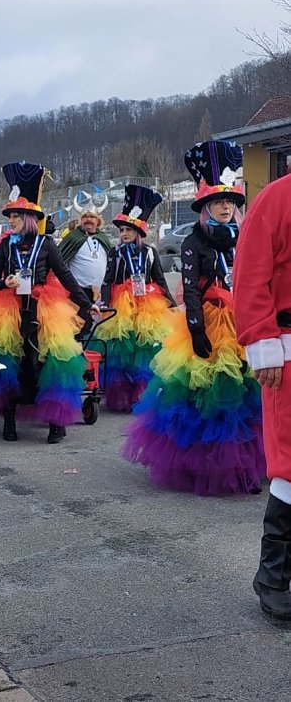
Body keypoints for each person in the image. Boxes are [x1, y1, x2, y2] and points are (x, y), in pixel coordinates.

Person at [126, 141, 265, 495]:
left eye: (230, 202)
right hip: (208, 324)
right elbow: (189, 290)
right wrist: (196, 329)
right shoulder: (193, 242)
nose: (225, 207)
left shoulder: (243, 237)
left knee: (246, 395)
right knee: (210, 398)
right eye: (218, 202)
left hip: (241, 321)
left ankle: (247, 465)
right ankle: (205, 465)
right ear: (205, 206)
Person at [0, 162, 100, 444]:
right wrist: (5, 283)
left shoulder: (47, 244)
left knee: (49, 364)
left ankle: (55, 422)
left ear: (27, 217)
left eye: (14, 215)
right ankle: (9, 420)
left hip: (43, 310)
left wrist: (86, 304)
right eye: (10, 214)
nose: (10, 219)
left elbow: (65, 276)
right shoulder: (5, 245)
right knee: (10, 363)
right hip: (8, 310)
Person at [234, 170, 291, 620]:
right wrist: (261, 340)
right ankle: (273, 575)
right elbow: (251, 273)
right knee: (290, 463)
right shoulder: (276, 198)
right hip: (286, 351)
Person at [99, 185, 176, 411]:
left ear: (139, 232)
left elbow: (159, 278)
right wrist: (105, 303)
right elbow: (108, 279)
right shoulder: (115, 252)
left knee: (145, 349)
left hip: (147, 306)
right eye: (122, 230)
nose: (124, 234)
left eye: (128, 230)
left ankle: (141, 394)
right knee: (122, 350)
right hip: (122, 305)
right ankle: (121, 395)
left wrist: (170, 303)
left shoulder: (150, 252)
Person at [59, 194, 112, 336]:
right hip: (78, 293)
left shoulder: (103, 238)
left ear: (98, 220)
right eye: (85, 217)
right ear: (80, 220)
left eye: (92, 217)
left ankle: (92, 355)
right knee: (79, 327)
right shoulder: (72, 237)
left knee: (96, 329)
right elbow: (60, 262)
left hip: (100, 294)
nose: (88, 220)